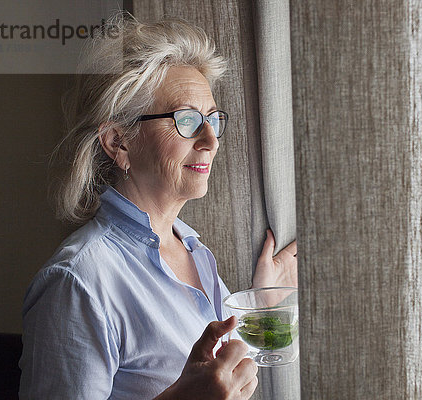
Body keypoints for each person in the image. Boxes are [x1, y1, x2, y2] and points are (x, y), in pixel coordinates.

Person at [18, 14, 297, 400]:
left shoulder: (192, 249)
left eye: (213, 120)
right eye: (186, 120)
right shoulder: (77, 282)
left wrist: (261, 299)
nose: (211, 141)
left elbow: (215, 373)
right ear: (119, 142)